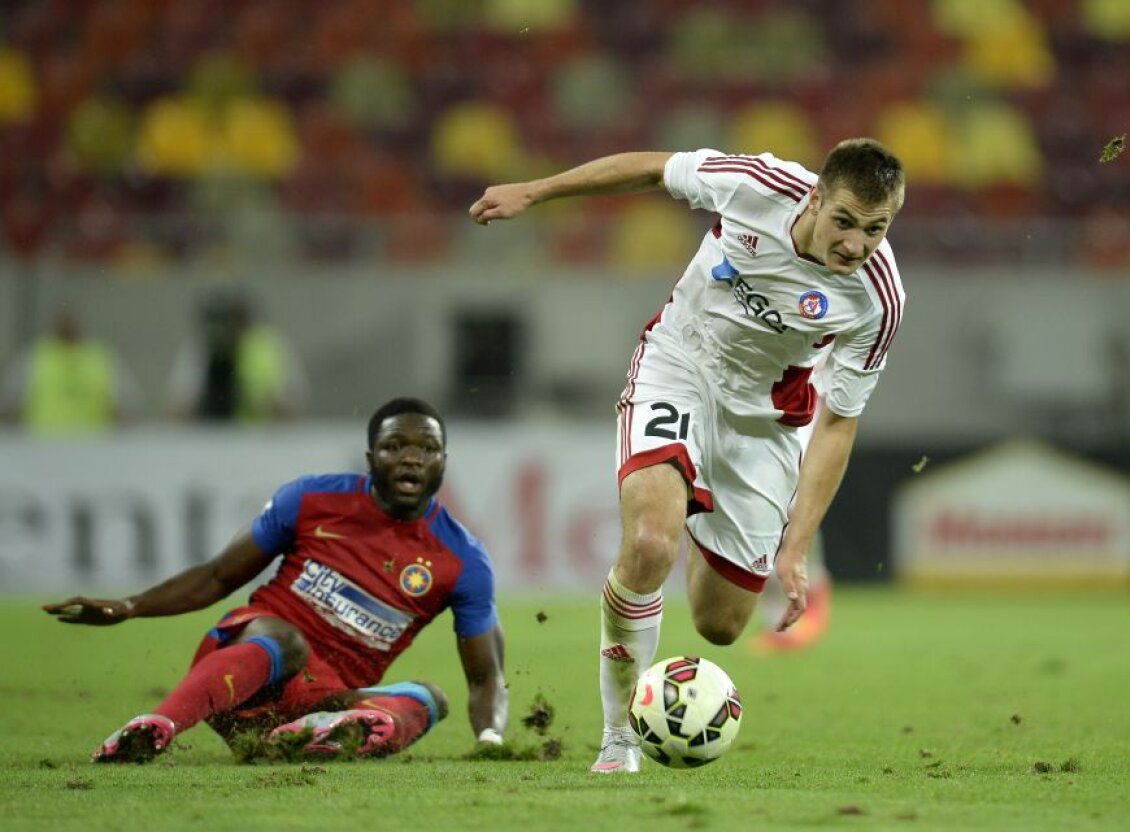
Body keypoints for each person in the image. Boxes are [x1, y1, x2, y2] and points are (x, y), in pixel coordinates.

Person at [470, 140, 905, 773]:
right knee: (650, 543)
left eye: (875, 229)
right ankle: (618, 738)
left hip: (764, 424)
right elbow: (653, 168)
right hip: (680, 368)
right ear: (816, 198)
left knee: (720, 624)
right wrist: (535, 191)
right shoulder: (757, 186)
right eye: (845, 221)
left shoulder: (878, 297)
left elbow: (838, 423)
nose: (855, 244)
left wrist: (796, 546)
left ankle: (694, 503)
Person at [43, 397, 507, 763]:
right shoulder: (311, 500)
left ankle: (309, 737)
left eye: (427, 450)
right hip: (245, 671)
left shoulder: (462, 559)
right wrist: (131, 606)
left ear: (444, 460)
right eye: (393, 448)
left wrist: (490, 738)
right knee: (288, 641)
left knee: (429, 698)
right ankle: (156, 725)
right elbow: (217, 576)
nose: (411, 460)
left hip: (320, 698)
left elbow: (486, 676)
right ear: (370, 457)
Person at [165, 290, 308, 422]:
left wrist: (256, 401)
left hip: (262, 436)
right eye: (224, 322)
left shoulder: (272, 347)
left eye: (235, 320)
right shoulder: (202, 349)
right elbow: (176, 409)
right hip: (212, 434)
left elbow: (294, 408)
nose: (230, 329)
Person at [0, 308, 142, 434]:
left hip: (93, 444)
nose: (69, 328)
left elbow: (124, 405)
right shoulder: (35, 357)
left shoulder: (100, 358)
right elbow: (10, 404)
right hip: (42, 443)